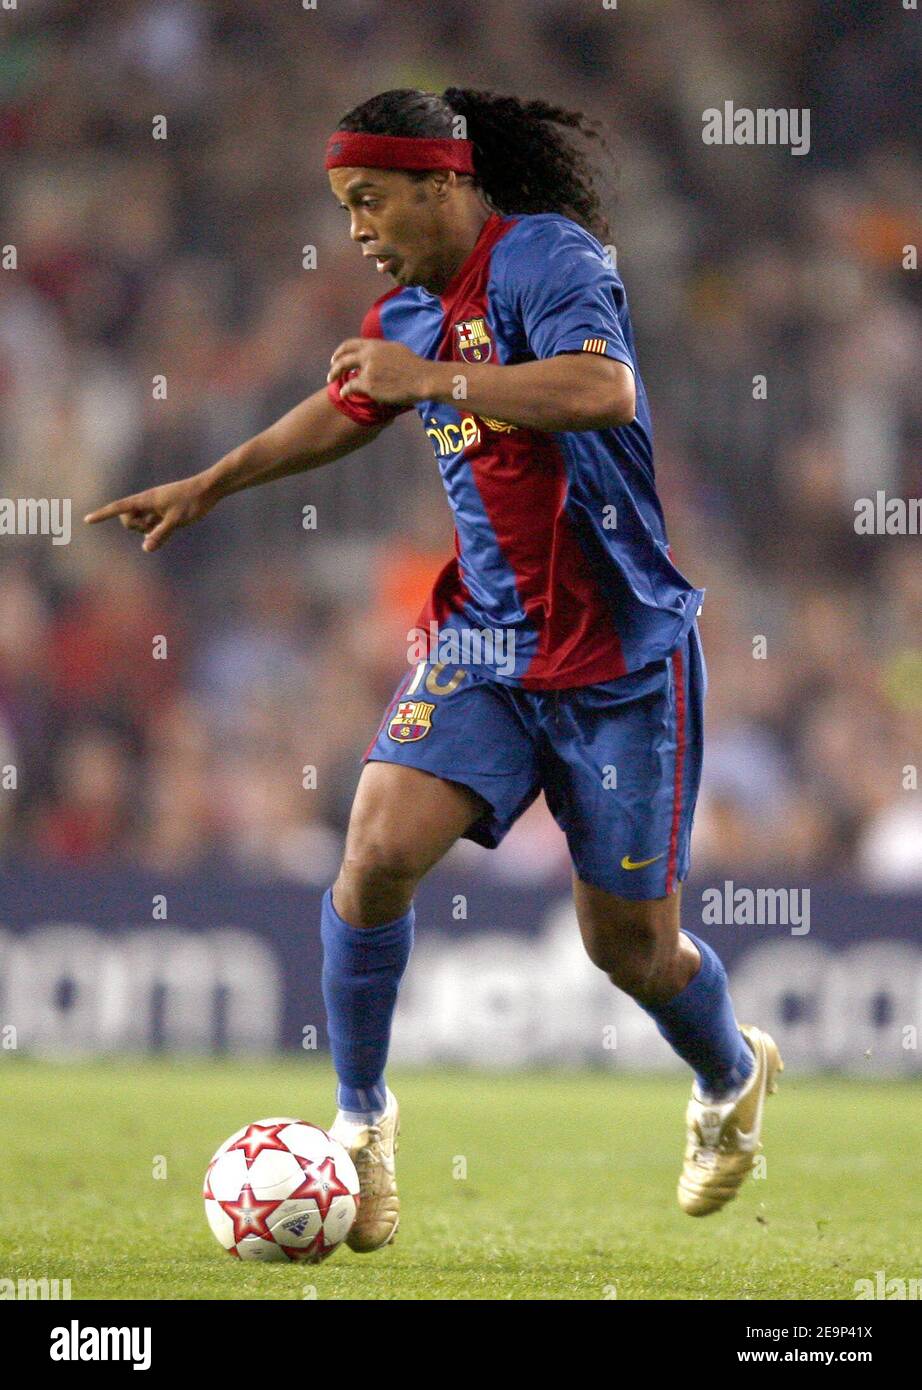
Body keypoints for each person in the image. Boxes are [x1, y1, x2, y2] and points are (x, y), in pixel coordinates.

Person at [86, 88, 782, 1254]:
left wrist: (432, 385)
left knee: (628, 948)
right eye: (343, 205)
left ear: (442, 182)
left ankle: (727, 1078)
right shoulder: (411, 310)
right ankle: (360, 1127)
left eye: (368, 199)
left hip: (618, 659)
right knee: (372, 855)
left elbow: (597, 388)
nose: (355, 225)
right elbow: (345, 407)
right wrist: (214, 479)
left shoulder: (546, 259)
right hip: (488, 644)